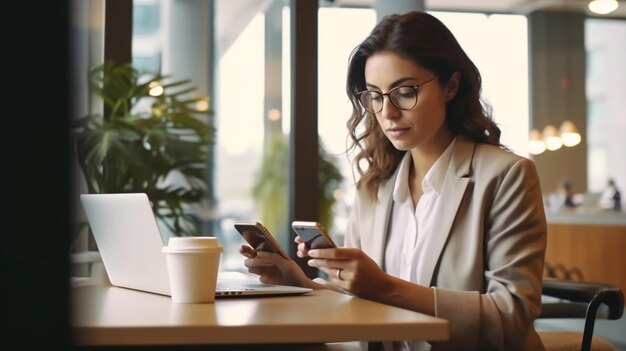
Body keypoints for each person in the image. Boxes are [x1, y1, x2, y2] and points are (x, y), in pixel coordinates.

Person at [239, 11, 547, 351]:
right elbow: (358, 300)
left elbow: (512, 316)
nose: (387, 111)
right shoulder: (374, 188)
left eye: (405, 91)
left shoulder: (506, 176)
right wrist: (300, 283)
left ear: (452, 86)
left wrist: (383, 286)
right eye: (375, 95)